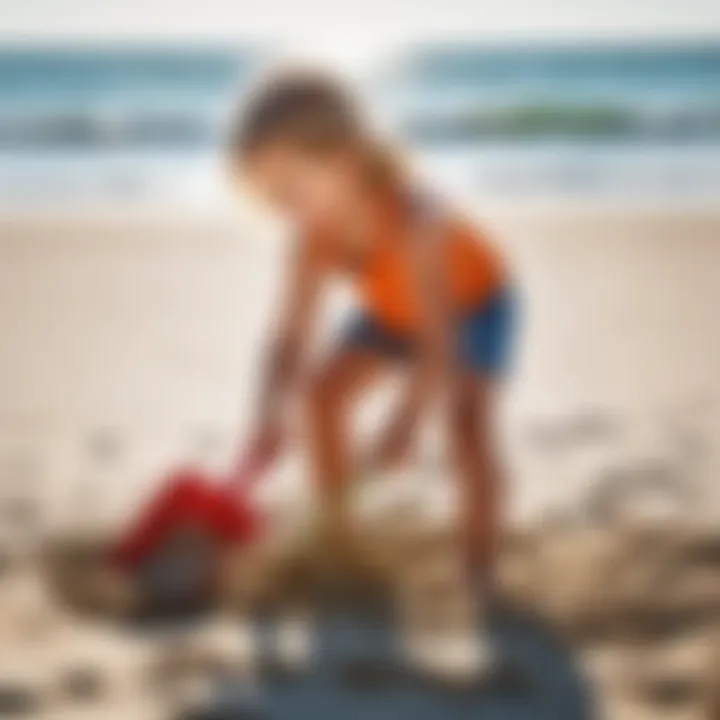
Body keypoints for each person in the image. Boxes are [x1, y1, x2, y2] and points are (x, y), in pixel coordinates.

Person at [232, 69, 516, 596]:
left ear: (347, 158)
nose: (284, 207)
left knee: (467, 426)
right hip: (391, 310)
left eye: (292, 187)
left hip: (472, 306)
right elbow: (289, 338)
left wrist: (405, 421)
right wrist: (267, 415)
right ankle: (340, 541)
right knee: (321, 397)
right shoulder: (312, 237)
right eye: (271, 195)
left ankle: (479, 566)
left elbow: (438, 343)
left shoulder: (415, 217)